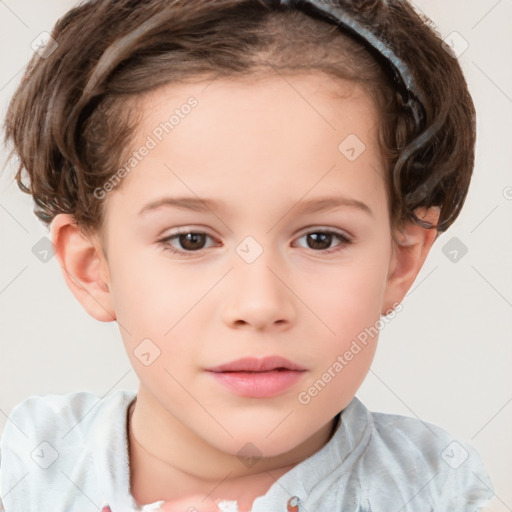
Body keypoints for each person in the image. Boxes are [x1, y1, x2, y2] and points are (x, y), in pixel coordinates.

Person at [0, 0, 495, 511]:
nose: (258, 305)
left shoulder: (438, 489)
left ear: (401, 260)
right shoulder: (23, 470)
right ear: (93, 268)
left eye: (321, 238)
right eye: (190, 239)